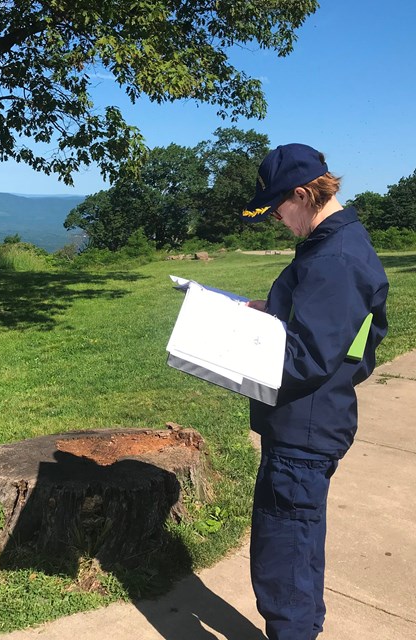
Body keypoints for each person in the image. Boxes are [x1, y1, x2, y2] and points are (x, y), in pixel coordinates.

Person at [240, 143, 389, 640]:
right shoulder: (335, 247)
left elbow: (306, 357)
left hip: (303, 435)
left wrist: (228, 349)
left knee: (284, 563)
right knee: (297, 549)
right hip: (308, 424)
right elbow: (355, 342)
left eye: (279, 208)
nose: (279, 220)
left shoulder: (335, 258)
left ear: (304, 194)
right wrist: (274, 312)